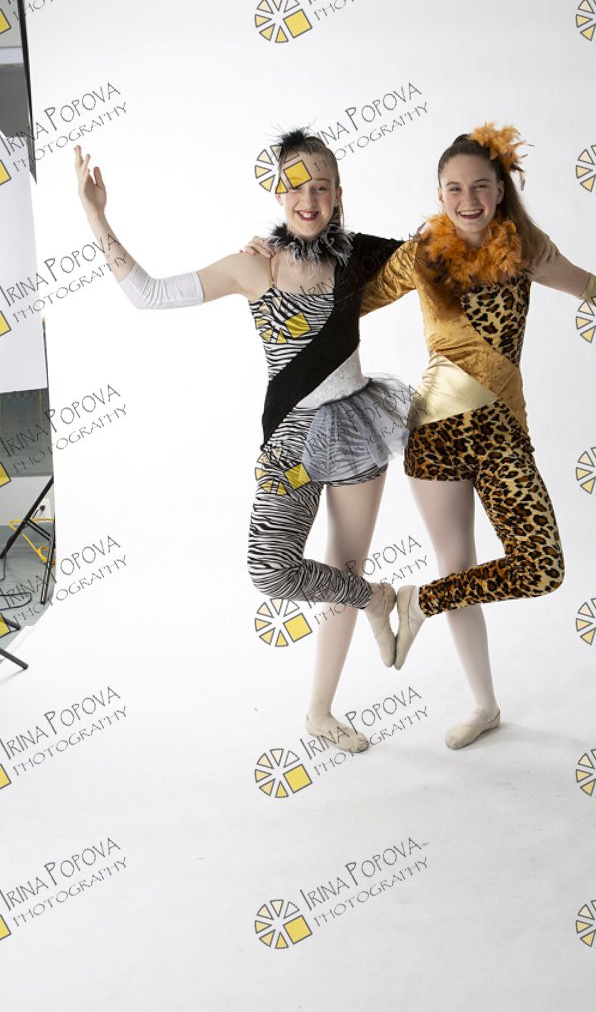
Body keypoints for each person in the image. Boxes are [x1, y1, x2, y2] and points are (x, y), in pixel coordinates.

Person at [74, 130, 413, 755]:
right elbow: (149, 294)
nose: (307, 200)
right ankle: (381, 600)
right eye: (295, 187)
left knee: (343, 567)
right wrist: (97, 216)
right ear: (278, 192)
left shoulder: (358, 256)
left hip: (356, 428)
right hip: (291, 439)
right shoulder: (254, 265)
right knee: (271, 568)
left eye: (320, 188)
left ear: (338, 195)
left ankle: (320, 712)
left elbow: (434, 259)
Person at [357, 123, 596, 748]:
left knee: (541, 567)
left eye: (481, 186)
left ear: (500, 189)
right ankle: (484, 705)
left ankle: (420, 601)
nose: (469, 199)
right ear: (439, 194)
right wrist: (279, 261)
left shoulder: (525, 249)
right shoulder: (420, 256)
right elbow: (344, 303)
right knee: (458, 564)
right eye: (455, 188)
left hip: (502, 433)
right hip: (433, 434)